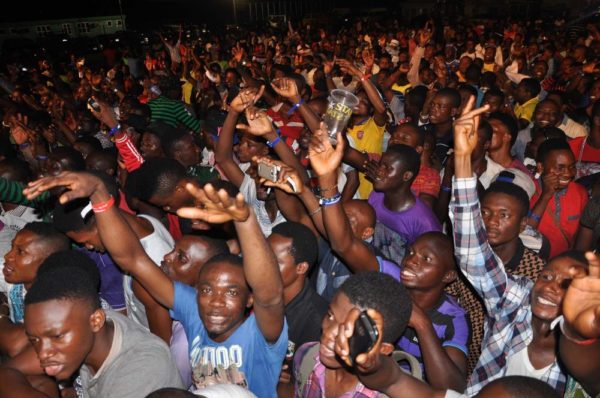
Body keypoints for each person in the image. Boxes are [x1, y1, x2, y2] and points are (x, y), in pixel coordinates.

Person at [23, 172, 287, 397]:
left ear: (249, 299)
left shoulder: (260, 335)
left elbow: (270, 295)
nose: (216, 301)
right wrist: (99, 194)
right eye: (206, 289)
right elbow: (134, 259)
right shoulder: (195, 313)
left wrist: (246, 222)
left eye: (231, 292)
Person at [450, 96, 586, 395]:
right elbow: (472, 252)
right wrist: (462, 157)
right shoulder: (516, 302)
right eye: (548, 276)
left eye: (567, 285)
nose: (551, 287)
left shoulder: (584, 365)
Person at [0, 250, 184, 397]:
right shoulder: (77, 328)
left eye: (56, 337)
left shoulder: (142, 366)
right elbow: (8, 371)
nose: (43, 353)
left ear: (96, 321)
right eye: (34, 340)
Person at [294, 272, 413, 398]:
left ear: (383, 349)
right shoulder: (306, 355)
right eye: (330, 316)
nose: (328, 334)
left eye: (348, 331)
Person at [0, 222, 70, 357]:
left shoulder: (57, 298)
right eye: (12, 247)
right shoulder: (18, 275)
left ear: (47, 263)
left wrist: (2, 314)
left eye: (20, 252)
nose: (8, 256)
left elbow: (15, 345)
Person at [528, 139, 588, 258]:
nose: (568, 173)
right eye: (560, 168)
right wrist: (545, 196)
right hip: (532, 263)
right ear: (540, 167)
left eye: (572, 167)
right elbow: (526, 232)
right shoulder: (528, 190)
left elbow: (582, 237)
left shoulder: (580, 193)